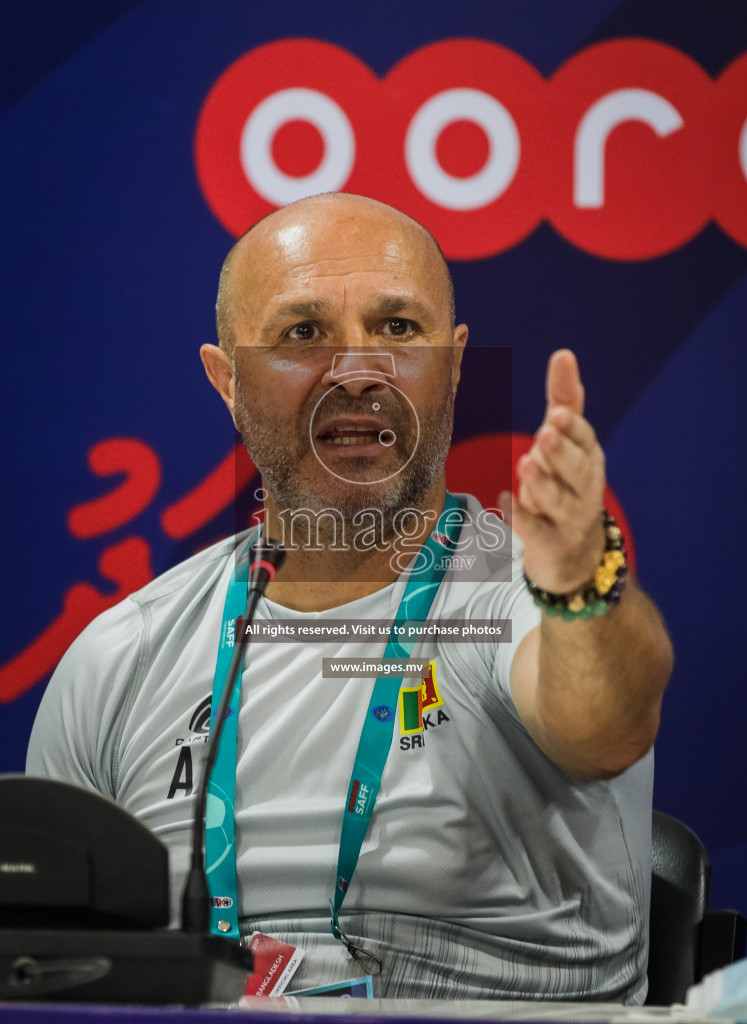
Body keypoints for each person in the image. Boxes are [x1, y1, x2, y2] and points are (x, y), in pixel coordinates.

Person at [27, 193, 673, 1001]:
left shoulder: (522, 602)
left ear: (455, 363)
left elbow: (606, 725)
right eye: (303, 333)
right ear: (226, 379)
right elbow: (51, 969)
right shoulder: (122, 654)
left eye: (398, 328)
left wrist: (582, 586)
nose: (359, 371)